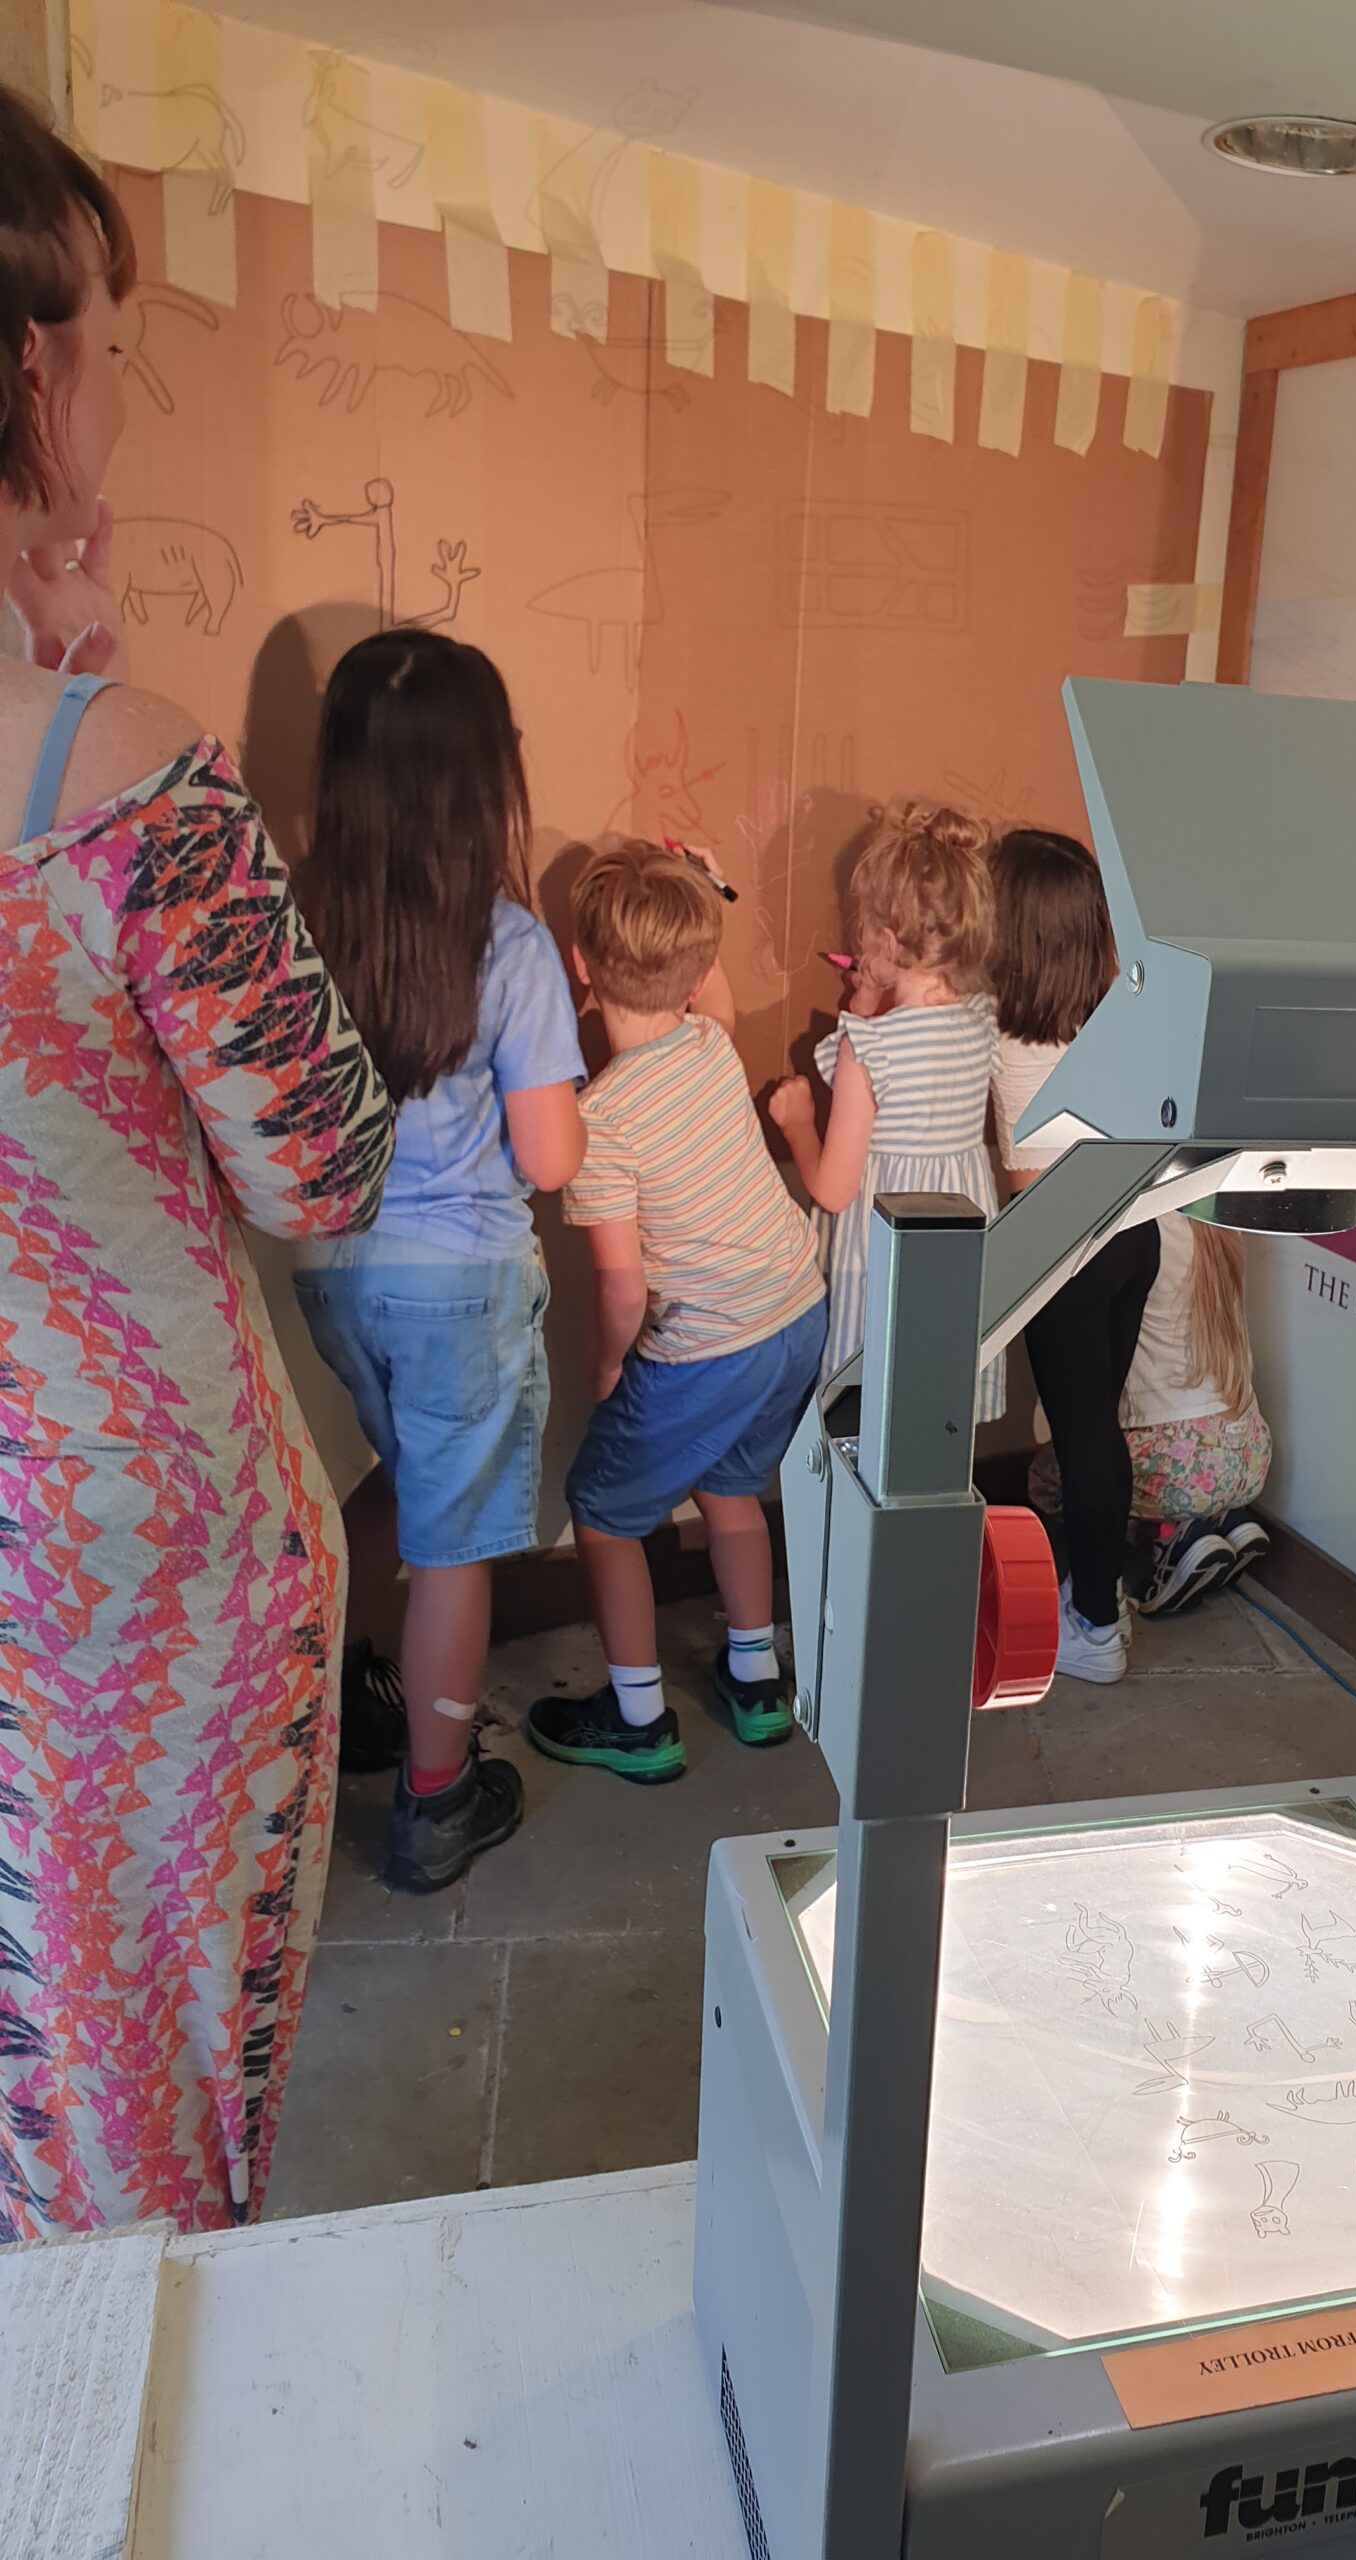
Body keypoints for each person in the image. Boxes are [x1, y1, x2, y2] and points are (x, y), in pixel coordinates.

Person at [0, 88, 394, 2235]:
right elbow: (319, 1164)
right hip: (121, 1543)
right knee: (137, 2086)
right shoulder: (120, 774)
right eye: (102, 335)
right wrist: (99, 694)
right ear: (35, 368)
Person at [290, 631, 586, 1891]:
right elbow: (554, 1156)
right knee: (455, 1544)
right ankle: (436, 1797)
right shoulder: (508, 945)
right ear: (486, 779)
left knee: (399, 1477)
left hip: (334, 1269)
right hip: (461, 1278)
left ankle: (358, 1696)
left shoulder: (292, 918)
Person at [529, 841, 827, 1779]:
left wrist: (609, 1363)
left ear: (579, 964)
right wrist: (710, 882)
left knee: (606, 1515)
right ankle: (756, 1683)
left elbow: (623, 1288)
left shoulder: (601, 1122)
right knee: (730, 1485)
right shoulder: (708, 1042)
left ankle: (640, 1719)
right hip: (794, 1313)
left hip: (705, 1348)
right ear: (698, 976)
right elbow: (721, 996)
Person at [768, 799, 1006, 1423]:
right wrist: (872, 994)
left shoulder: (865, 1047)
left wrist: (797, 1121)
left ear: (888, 939)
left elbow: (834, 1188)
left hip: (886, 1253)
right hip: (956, 1243)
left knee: (867, 1421)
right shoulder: (981, 1018)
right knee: (934, 1424)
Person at [988, 828, 1158, 1684]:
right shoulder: (1112, 1017)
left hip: (1065, 1242)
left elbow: (1022, 1170)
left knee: (1086, 1433)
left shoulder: (996, 1027)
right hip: (1135, 1233)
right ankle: (1100, 1600)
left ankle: (1094, 1625)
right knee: (1099, 1427)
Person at [1031, 1213, 1275, 1619]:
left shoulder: (1143, 1234)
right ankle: (1219, 1518)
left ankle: (1169, 1535)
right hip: (1248, 1450)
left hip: (1178, 1461)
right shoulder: (1224, 1228)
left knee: (1051, 1476)